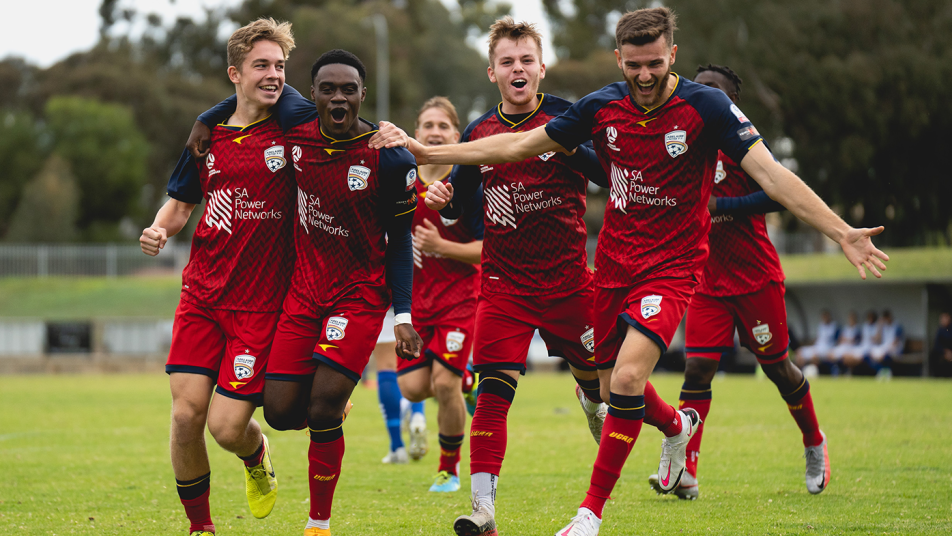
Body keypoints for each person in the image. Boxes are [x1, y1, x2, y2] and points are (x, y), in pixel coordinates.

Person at [369, 8, 888, 535]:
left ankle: (589, 515)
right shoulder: (599, 107)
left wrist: (840, 230)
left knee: (628, 377)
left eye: (655, 64)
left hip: (658, 269)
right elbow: (517, 145)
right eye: (634, 65)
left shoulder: (706, 107)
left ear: (673, 57)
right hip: (600, 271)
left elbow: (774, 177)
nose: (645, 76)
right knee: (583, 390)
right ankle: (667, 431)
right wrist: (426, 152)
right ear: (619, 59)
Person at [387, 18, 620, 536]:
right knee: (492, 394)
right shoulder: (477, 134)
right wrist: (448, 209)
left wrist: (565, 145)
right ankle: (482, 509)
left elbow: (607, 173)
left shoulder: (568, 116)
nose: (518, 69)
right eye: (507, 62)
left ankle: (595, 400)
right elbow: (469, 215)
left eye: (526, 60)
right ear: (492, 72)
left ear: (542, 66)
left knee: (600, 386)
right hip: (503, 289)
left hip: (568, 285)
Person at [191, 49, 424, 536]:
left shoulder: (390, 157)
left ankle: (318, 523)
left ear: (363, 94)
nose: (338, 98)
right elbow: (250, 93)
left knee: (320, 408)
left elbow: (399, 243)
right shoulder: (295, 123)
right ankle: (334, 400)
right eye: (328, 89)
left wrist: (402, 315)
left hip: (358, 297)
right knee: (277, 413)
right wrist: (204, 119)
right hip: (303, 294)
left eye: (349, 90)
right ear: (312, 95)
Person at [644, 63, 830, 501]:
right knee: (697, 368)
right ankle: (687, 471)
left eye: (713, 90)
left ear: (730, 103)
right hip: (706, 281)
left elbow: (776, 193)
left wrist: (722, 207)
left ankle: (813, 442)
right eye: (697, 87)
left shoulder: (744, 145)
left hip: (755, 278)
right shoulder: (680, 148)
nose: (701, 95)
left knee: (778, 371)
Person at [139, 18, 296, 536]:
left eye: (279, 66)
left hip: (260, 305)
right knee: (185, 418)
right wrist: (159, 230)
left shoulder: (294, 129)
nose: (273, 75)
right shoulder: (207, 137)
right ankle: (200, 528)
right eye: (261, 66)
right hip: (202, 296)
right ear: (235, 73)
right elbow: (180, 205)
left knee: (227, 429)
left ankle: (257, 456)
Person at [396, 96, 484, 492]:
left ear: (456, 133)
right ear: (416, 133)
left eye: (442, 126)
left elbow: (490, 249)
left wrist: (442, 247)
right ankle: (466, 379)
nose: (434, 132)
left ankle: (448, 469)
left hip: (461, 300)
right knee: (413, 387)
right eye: (427, 125)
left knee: (443, 385)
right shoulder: (400, 179)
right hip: (415, 305)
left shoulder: (465, 184)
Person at [375, 309, 427, 465]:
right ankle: (418, 413)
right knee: (413, 360)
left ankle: (397, 447)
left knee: (386, 365)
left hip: (384, 300)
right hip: (413, 300)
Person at [868, 309, 904, 378]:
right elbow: (877, 340)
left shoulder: (897, 326)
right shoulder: (884, 326)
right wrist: (879, 326)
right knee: (870, 354)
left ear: (889, 317)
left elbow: (896, 341)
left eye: (886, 318)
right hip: (885, 347)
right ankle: (882, 370)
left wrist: (886, 349)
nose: (886, 320)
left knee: (885, 354)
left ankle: (886, 372)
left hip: (896, 348)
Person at [930, 312, 952, 377]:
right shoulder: (940, 330)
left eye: (944, 318)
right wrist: (945, 352)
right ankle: (935, 376)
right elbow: (936, 344)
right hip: (944, 352)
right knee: (932, 355)